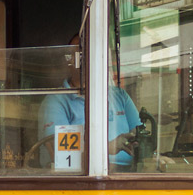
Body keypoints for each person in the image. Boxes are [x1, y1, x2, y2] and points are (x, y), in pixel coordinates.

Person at [38, 36, 141, 169]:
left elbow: (139, 132)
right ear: (68, 61)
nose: (87, 59)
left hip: (132, 172)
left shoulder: (119, 95)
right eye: (80, 55)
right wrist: (107, 147)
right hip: (84, 174)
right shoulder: (56, 100)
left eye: (92, 54)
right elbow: (60, 154)